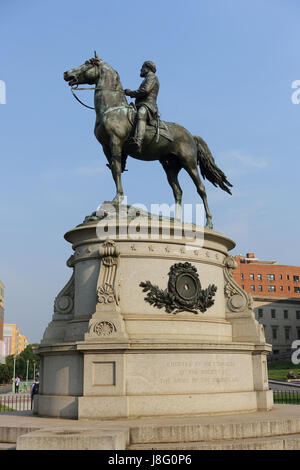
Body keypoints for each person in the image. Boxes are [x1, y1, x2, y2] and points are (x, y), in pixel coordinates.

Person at [125, 60, 160, 153]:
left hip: (148, 105)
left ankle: (138, 141)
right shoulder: (147, 78)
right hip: (140, 104)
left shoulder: (152, 77)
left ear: (148, 68)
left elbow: (145, 90)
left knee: (141, 113)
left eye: (143, 67)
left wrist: (131, 93)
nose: (141, 69)